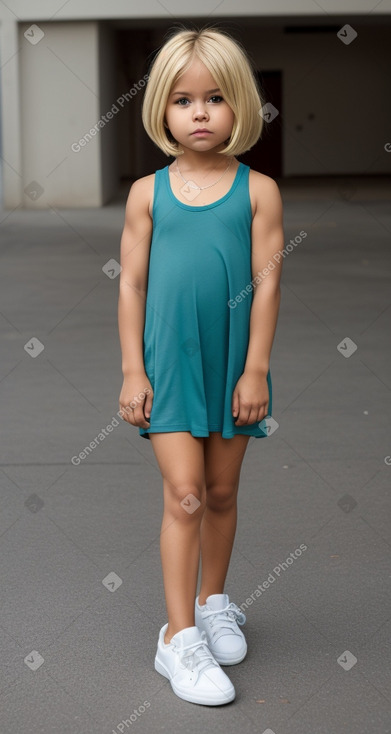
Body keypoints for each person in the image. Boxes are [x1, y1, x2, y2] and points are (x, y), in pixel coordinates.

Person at [118, 25, 284, 706]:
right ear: (162, 108)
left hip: (231, 366)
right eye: (184, 100)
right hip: (170, 367)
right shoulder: (146, 194)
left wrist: (256, 370)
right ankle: (177, 638)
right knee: (184, 492)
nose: (200, 112)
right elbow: (129, 284)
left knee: (219, 493)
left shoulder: (259, 191)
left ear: (238, 104)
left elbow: (266, 282)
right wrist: (133, 370)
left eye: (214, 98)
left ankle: (214, 601)